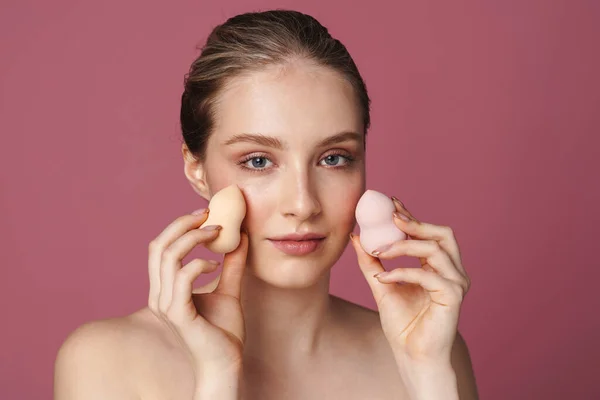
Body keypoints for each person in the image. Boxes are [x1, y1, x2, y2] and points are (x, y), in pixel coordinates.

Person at [54, 9, 478, 400]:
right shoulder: (107, 364)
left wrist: (429, 376)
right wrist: (218, 376)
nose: (302, 203)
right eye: (258, 161)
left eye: (334, 158)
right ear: (197, 169)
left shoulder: (428, 349)